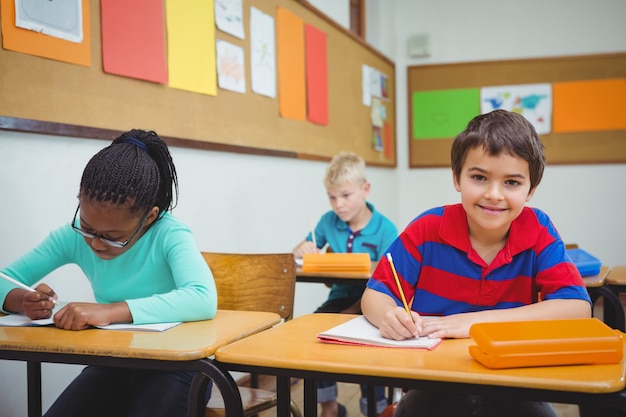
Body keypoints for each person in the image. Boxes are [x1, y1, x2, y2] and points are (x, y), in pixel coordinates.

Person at [361, 110, 592, 417]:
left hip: (514, 382)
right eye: (479, 177)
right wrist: (390, 315)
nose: (493, 194)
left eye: (511, 182)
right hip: (433, 382)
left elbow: (577, 309)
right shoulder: (427, 228)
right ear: (457, 178)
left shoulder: (538, 230)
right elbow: (374, 295)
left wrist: (474, 322)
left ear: (531, 190)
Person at [0, 129, 217, 417]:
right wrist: (22, 301)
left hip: (181, 368)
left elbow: (202, 298)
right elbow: (4, 279)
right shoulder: (73, 236)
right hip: (114, 362)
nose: (96, 243)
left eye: (114, 236)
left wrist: (108, 311)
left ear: (149, 217)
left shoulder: (169, 234)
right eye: (88, 228)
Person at [293, 151, 398, 417]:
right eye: (332, 197)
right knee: (312, 330)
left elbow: (389, 280)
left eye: (346, 196)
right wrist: (303, 250)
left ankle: (373, 410)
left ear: (365, 190)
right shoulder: (328, 222)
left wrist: (349, 314)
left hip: (375, 302)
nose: (338, 204)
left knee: (370, 348)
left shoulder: (386, 229)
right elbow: (297, 253)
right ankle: (329, 406)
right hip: (341, 297)